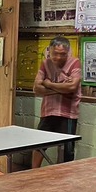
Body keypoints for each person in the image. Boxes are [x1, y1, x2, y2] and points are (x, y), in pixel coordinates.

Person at [31, 36, 81, 168]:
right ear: (49, 50)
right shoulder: (45, 63)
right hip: (48, 111)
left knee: (67, 149)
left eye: (62, 54)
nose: (58, 57)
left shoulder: (74, 63)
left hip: (68, 113)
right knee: (39, 145)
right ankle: (33, 172)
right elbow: (36, 88)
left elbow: (72, 87)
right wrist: (61, 88)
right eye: (55, 54)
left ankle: (65, 175)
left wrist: (48, 84)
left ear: (68, 52)